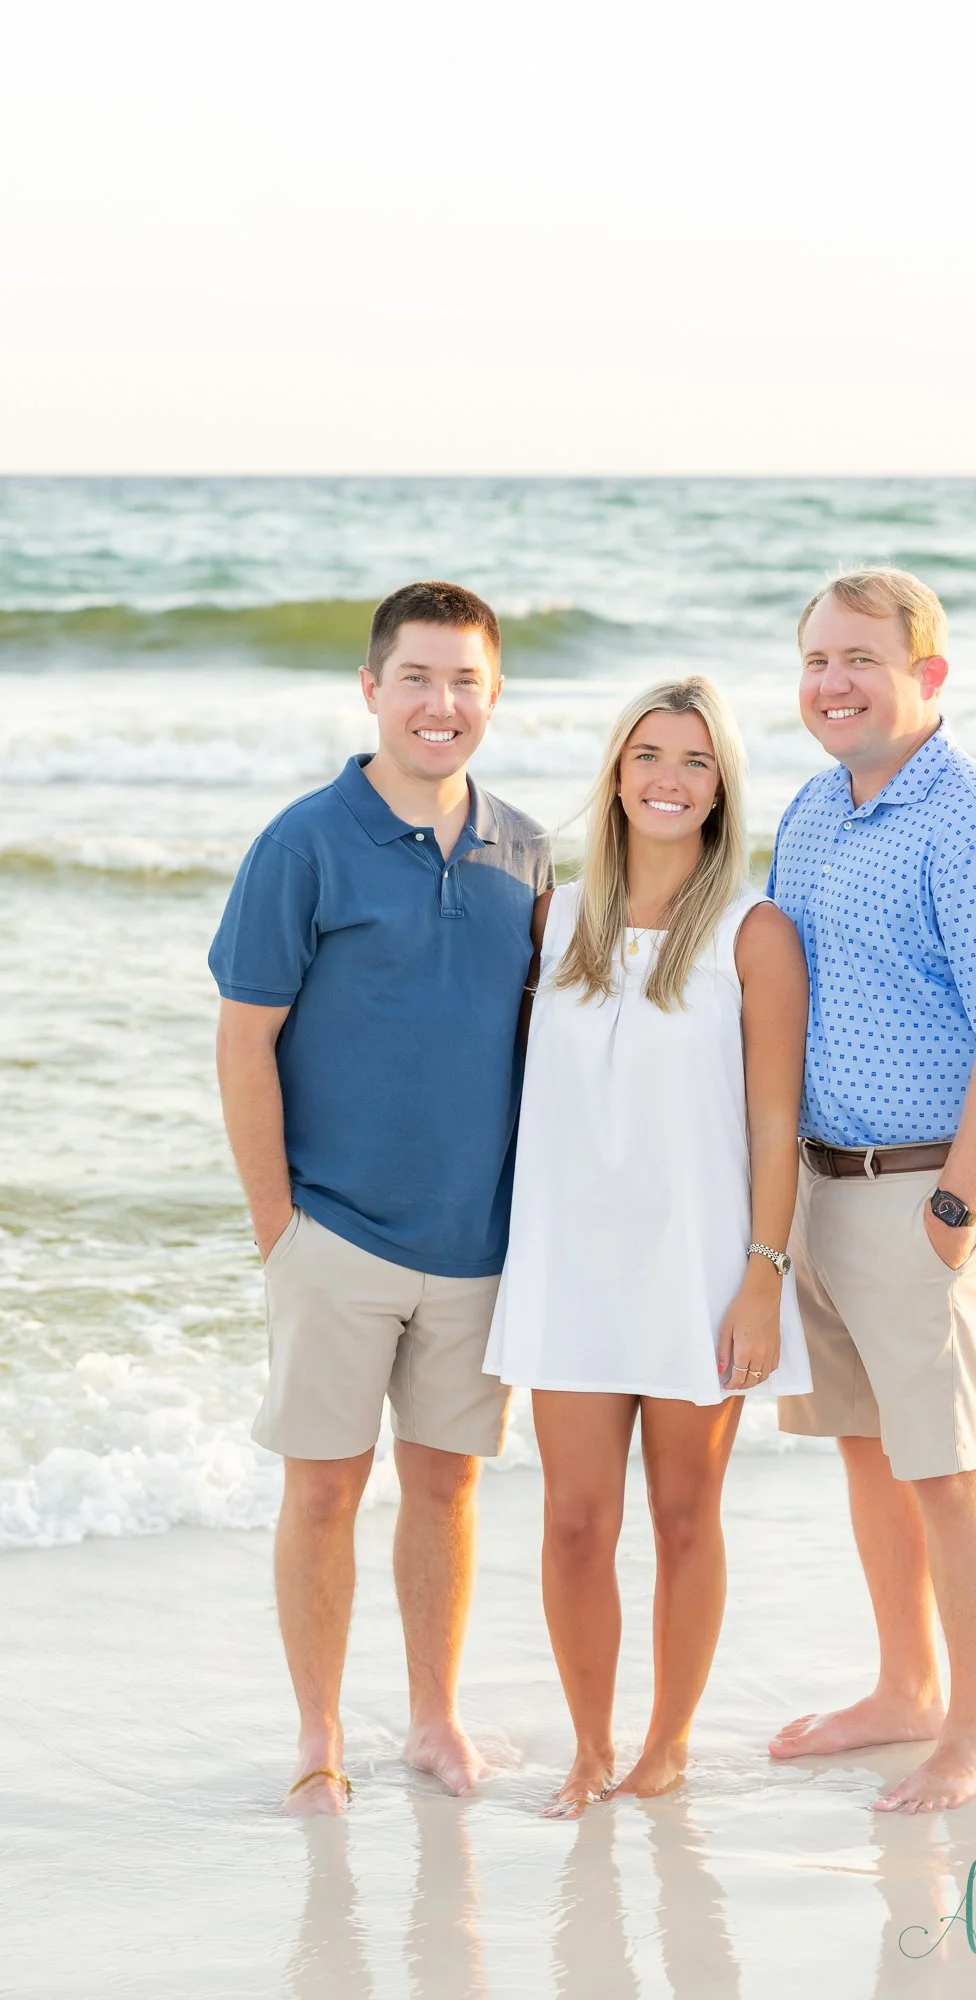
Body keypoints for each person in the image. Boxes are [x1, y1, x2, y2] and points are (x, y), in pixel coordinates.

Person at [209, 580, 552, 1814]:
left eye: (464, 680)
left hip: (477, 1241)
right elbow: (244, 1040)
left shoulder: (527, 848)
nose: (439, 703)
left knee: (448, 1485)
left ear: (493, 696)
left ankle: (433, 1718)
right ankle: (316, 1734)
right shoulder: (302, 841)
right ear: (370, 688)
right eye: (416, 676)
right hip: (335, 1231)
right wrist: (278, 1230)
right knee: (323, 1486)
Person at [484, 675, 812, 1816]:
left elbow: (776, 1122)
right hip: (570, 1265)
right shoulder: (552, 916)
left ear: (722, 788)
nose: (669, 779)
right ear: (615, 774)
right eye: (648, 756)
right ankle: (588, 1745)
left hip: (698, 1266)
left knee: (684, 1514)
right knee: (574, 1519)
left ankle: (665, 1742)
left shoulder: (753, 933)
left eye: (695, 761)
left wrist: (761, 1279)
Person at [765, 568, 976, 1813]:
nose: (833, 682)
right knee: (869, 1453)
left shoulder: (972, 821)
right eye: (817, 659)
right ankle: (901, 1687)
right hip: (824, 1188)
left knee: (944, 1465)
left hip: (928, 1191)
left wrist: (953, 1212)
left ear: (925, 676)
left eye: (861, 661)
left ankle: (973, 1729)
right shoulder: (812, 809)